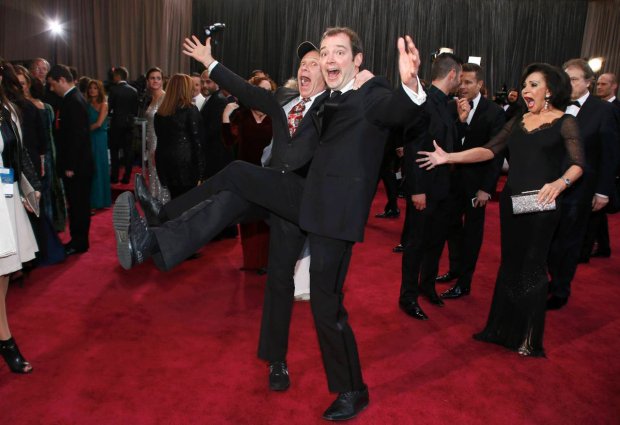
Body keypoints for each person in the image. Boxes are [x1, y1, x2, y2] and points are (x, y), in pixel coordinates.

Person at [115, 29, 425, 420]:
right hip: (294, 201)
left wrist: (411, 84)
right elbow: (252, 94)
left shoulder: (370, 92)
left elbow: (398, 111)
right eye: (319, 54)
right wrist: (213, 64)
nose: (326, 61)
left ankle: (353, 389)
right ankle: (155, 241)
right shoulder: (306, 99)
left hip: (331, 214)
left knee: (325, 308)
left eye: (337, 53)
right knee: (236, 195)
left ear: (357, 60)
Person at [418, 63, 584, 356]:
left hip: (542, 204)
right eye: (526, 84)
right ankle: (499, 329)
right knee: (510, 264)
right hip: (512, 202)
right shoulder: (517, 121)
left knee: (532, 267)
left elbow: (578, 164)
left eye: (534, 84)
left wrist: (560, 183)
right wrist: (449, 157)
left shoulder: (564, 122)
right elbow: (489, 150)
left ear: (550, 90)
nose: (527, 90)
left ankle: (528, 337)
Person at [398, 52, 469, 320]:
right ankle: (407, 297)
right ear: (452, 74)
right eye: (460, 77)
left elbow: (448, 147)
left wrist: (460, 123)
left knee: (435, 243)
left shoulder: (447, 106)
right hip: (424, 190)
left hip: (443, 190)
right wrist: (416, 190)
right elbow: (414, 148)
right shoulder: (423, 103)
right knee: (415, 245)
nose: (461, 82)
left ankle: (426, 286)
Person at [545, 59, 618, 310]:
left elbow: (610, 155)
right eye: (566, 78)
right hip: (549, 185)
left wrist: (603, 191)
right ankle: (547, 279)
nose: (569, 83)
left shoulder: (604, 111)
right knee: (547, 237)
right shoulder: (553, 105)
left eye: (575, 79)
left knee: (569, 241)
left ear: (589, 82)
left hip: (581, 188)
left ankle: (560, 288)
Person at [438, 63, 506, 300]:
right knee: (450, 228)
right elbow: (449, 143)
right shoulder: (449, 107)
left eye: (468, 82)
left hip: (477, 185)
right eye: (460, 82)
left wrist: (487, 188)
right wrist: (461, 121)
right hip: (451, 182)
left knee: (472, 234)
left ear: (480, 85)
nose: (462, 87)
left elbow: (496, 155)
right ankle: (454, 269)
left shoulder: (495, 112)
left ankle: (465, 281)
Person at [0, 78, 40, 374]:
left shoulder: (8, 109)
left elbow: (19, 154)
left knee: (3, 274)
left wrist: (30, 188)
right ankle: (6, 340)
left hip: (5, 194)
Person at [221, 76, 275, 272]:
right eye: (262, 90)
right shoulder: (242, 115)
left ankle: (267, 262)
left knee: (266, 221)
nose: (266, 94)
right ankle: (251, 261)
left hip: (269, 177)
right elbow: (228, 142)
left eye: (269, 90)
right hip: (246, 177)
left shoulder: (276, 115)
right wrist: (226, 117)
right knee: (247, 219)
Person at [47, 64, 94, 255]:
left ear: (61, 80)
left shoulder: (74, 101)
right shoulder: (71, 99)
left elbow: (77, 136)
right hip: (77, 165)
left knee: (79, 205)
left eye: (52, 84)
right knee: (76, 205)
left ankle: (79, 242)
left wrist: (70, 165)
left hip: (77, 166)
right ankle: (77, 240)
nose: (51, 89)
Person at [153, 74, 205, 199]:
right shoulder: (190, 110)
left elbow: (160, 144)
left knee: (175, 202)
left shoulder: (160, 114)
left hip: (167, 164)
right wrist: (201, 173)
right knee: (189, 206)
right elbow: (197, 143)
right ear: (185, 89)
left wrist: (161, 171)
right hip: (187, 166)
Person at [143, 67, 170, 204]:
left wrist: (159, 149)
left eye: (158, 78)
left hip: (160, 143)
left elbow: (167, 126)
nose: (155, 81)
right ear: (147, 81)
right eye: (152, 78)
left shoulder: (165, 98)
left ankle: (163, 209)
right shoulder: (152, 98)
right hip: (151, 142)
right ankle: (156, 209)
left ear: (163, 81)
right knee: (153, 176)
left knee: (160, 177)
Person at [108, 66, 138, 184]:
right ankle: (126, 177)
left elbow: (109, 108)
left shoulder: (114, 90)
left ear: (117, 76)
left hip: (116, 125)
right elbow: (135, 111)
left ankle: (114, 177)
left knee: (114, 153)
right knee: (128, 153)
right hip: (129, 126)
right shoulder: (133, 91)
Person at [86, 79, 111, 209]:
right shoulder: (87, 103)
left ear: (99, 90)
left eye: (95, 88)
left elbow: (99, 124)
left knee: (99, 167)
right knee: (91, 168)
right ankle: (93, 201)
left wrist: (82, 131)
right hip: (89, 138)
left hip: (99, 138)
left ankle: (101, 201)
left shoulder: (104, 104)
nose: (92, 90)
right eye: (90, 88)